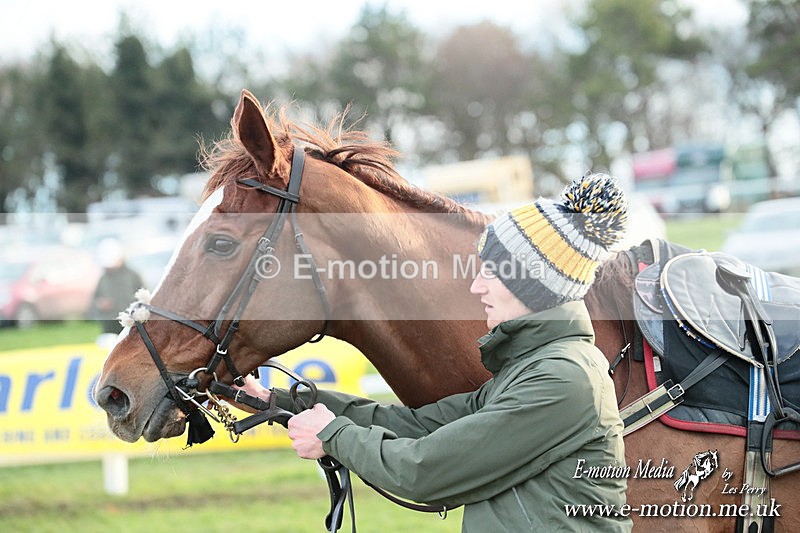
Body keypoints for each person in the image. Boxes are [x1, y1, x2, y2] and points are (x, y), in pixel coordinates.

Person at [239, 174, 632, 532]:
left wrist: (332, 435)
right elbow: (419, 425)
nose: (477, 287)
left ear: (529, 283)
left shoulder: (563, 378)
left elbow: (425, 469)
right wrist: (279, 400)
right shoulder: (535, 367)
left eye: (490, 272)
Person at [91, 238, 145, 334]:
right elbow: (94, 302)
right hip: (110, 328)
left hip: (132, 327)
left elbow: (146, 300)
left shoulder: (133, 276)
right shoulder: (103, 279)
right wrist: (100, 304)